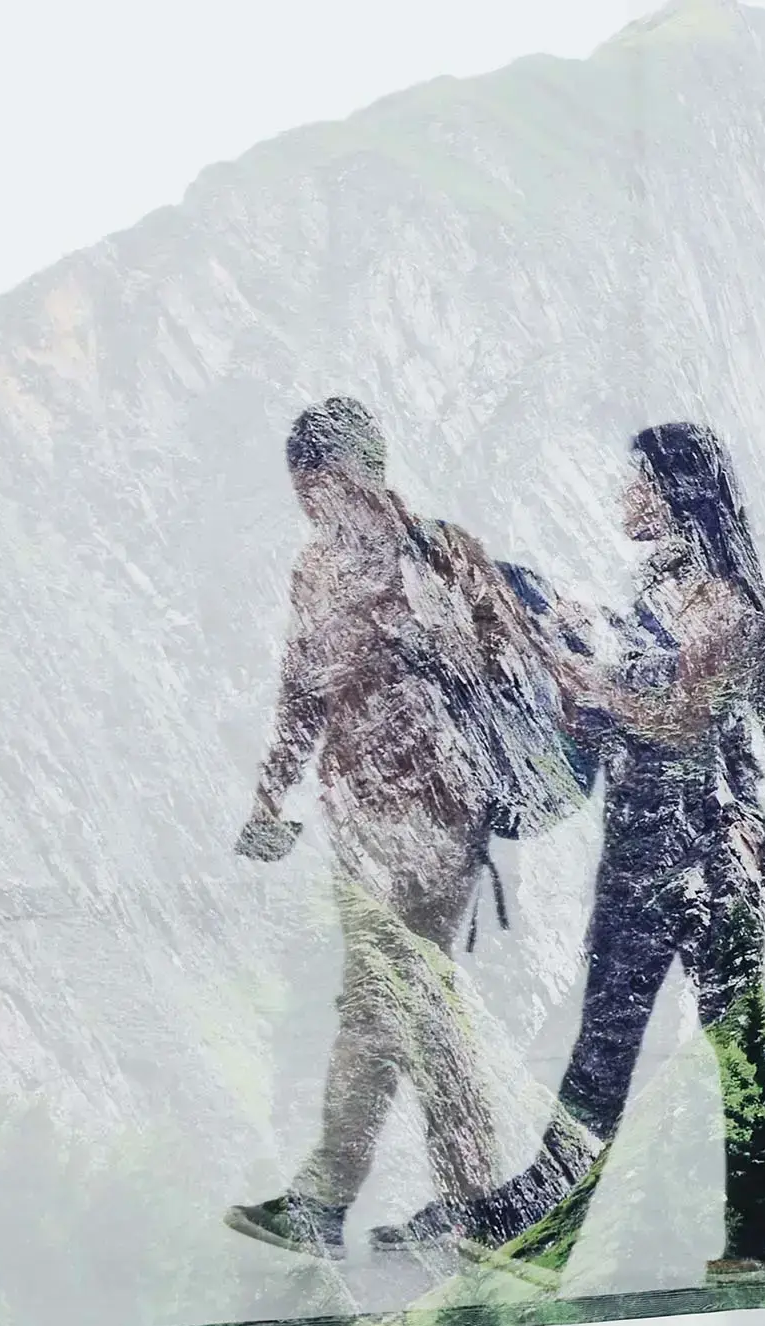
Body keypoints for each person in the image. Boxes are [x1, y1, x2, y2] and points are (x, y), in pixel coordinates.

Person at [420, 421, 765, 1288]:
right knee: (611, 1038)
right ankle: (549, 1218)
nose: (623, 495)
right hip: (646, 841)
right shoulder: (659, 597)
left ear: (678, 496)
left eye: (639, 481)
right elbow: (613, 716)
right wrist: (552, 645)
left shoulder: (727, 610)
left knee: (734, 1038)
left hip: (710, 856)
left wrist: (574, 667)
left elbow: (671, 717)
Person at [224, 398, 534, 1259]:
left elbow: (507, 667)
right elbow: (302, 689)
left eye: (317, 484)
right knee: (392, 1002)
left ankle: (372, 1202)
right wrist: (271, 793)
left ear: (354, 471)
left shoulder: (433, 555)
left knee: (393, 1001)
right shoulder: (324, 568)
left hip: (431, 820)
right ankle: (464, 1200)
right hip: (371, 820)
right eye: (302, 490)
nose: (310, 503)